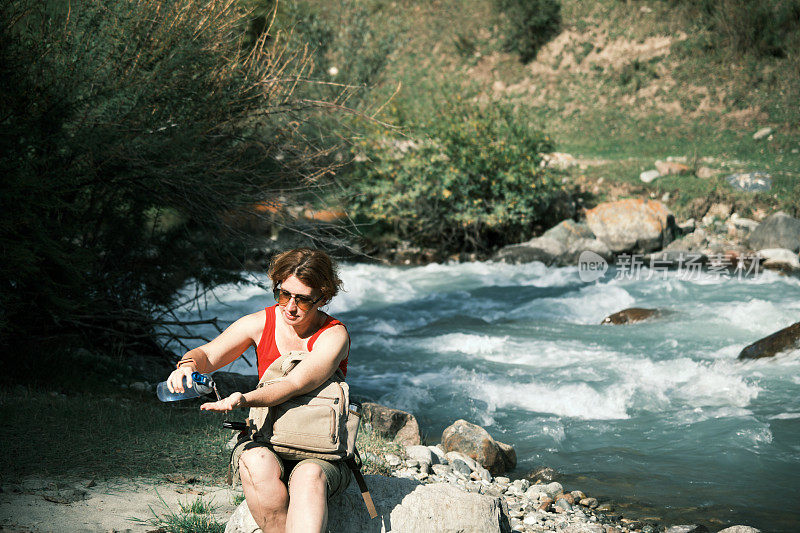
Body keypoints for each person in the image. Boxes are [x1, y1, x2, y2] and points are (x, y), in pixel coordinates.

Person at [165, 248, 350, 533]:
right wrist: (187, 365)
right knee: (254, 460)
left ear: (323, 297)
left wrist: (243, 399)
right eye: (284, 294)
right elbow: (210, 354)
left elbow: (293, 384)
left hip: (320, 449)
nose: (290, 306)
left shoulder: (335, 335)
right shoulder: (260, 322)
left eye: (302, 300)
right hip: (266, 438)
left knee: (309, 477)